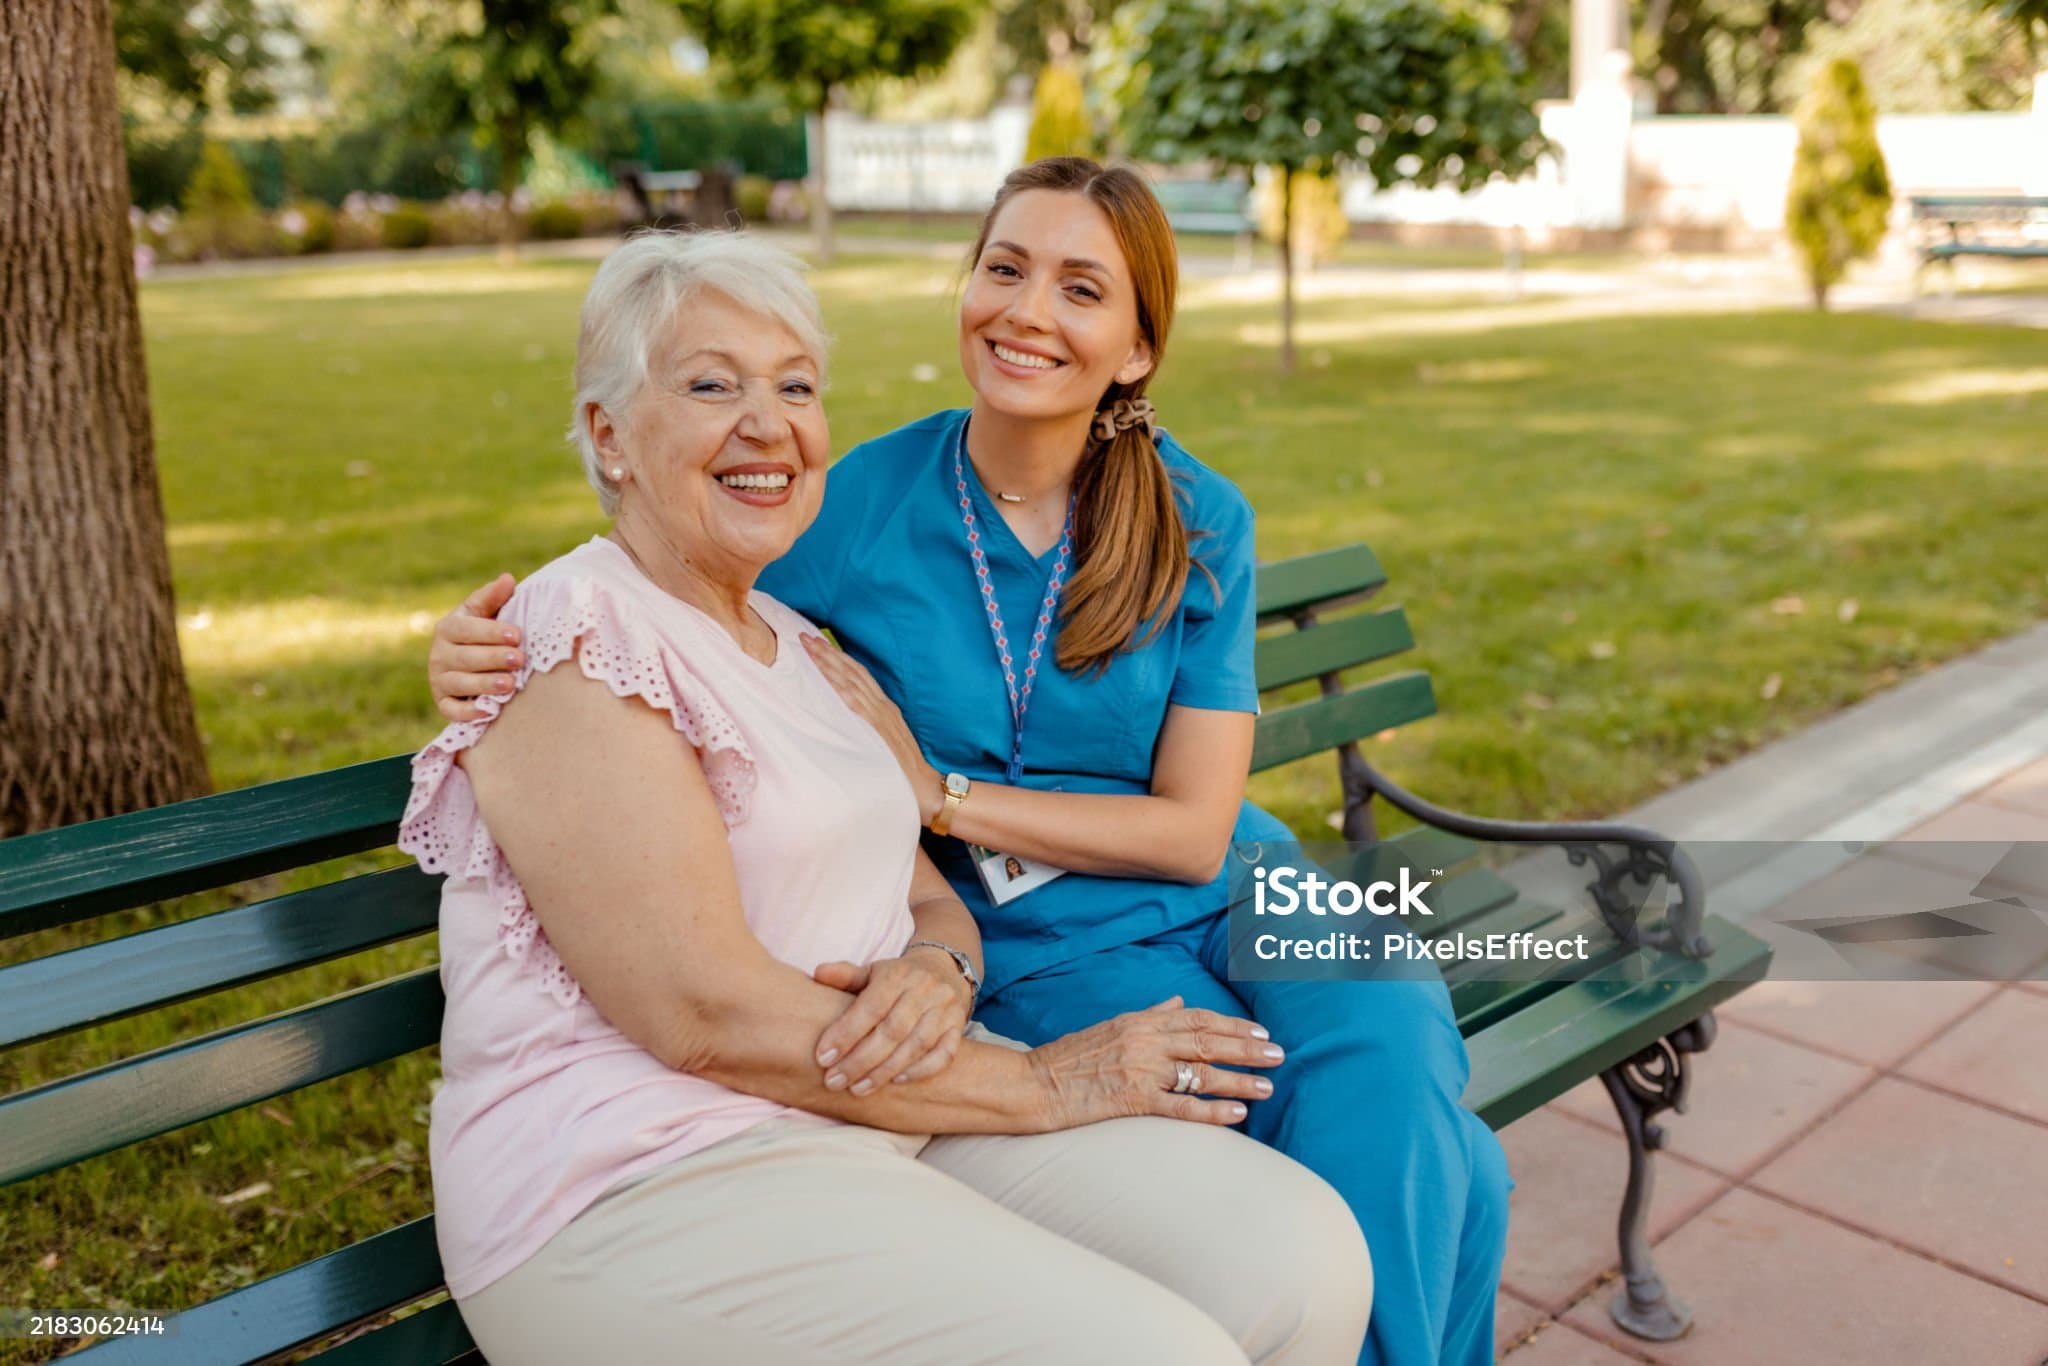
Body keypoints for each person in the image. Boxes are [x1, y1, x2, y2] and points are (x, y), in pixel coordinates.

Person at [429, 159, 1506, 1366]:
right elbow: (660, 583)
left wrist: (942, 800)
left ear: (1136, 348)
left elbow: (1197, 830)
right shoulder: (848, 500)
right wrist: (488, 646)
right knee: (1410, 1155)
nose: (1028, 310)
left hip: (1217, 875)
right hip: (1038, 932)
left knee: (1394, 1030)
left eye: (1080, 288)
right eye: (1004, 267)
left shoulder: (1194, 513)